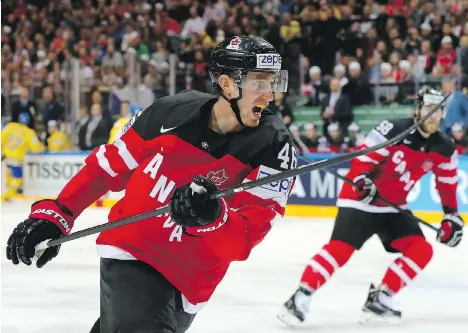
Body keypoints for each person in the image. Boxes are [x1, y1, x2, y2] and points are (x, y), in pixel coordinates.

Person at [5, 36, 297, 333]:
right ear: (227, 84)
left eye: (274, 82)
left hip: (191, 284)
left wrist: (213, 217)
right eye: (260, 83)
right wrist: (58, 213)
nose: (270, 95)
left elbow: (245, 239)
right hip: (133, 251)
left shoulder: (274, 147)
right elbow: (108, 168)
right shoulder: (170, 112)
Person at [277, 87, 463, 326]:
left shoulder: (444, 147)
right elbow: (363, 159)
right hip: (361, 200)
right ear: (418, 109)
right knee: (340, 250)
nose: (434, 115)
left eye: (439, 110)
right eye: (429, 108)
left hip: (393, 207)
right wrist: (362, 180)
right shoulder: (394, 129)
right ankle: (300, 296)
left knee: (421, 250)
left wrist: (451, 216)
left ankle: (382, 297)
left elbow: (447, 184)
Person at [1, 113, 44, 201]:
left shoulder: (10, 126)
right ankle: (8, 195)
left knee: (8, 176)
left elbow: (1, 138)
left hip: (5, 156)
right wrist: (42, 147)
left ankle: (8, 193)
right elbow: (36, 149)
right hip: (17, 158)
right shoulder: (30, 132)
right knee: (18, 177)